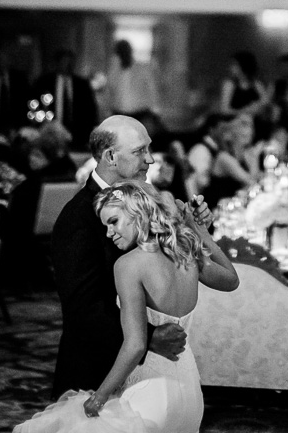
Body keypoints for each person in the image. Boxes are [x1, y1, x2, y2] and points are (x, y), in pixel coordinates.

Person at [18, 178, 238, 433]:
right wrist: (199, 231)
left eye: (114, 221)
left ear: (137, 212)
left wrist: (99, 397)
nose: (109, 233)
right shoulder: (186, 251)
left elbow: (135, 345)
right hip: (189, 393)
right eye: (105, 226)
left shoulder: (128, 265)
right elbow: (231, 279)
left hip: (148, 393)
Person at [47, 116, 190, 398]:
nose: (150, 159)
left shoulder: (144, 201)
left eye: (149, 149)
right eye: (140, 151)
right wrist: (148, 337)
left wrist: (195, 227)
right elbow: (82, 309)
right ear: (111, 156)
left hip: (144, 367)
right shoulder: (79, 218)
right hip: (96, 368)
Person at [31, 49, 99, 143]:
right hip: (50, 134)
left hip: (77, 136)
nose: (68, 65)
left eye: (71, 62)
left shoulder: (82, 84)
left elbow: (90, 111)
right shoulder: (45, 82)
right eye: (65, 62)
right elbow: (35, 106)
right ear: (57, 63)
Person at [218, 50, 272, 142]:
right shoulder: (230, 84)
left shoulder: (256, 85)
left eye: (234, 65)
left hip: (255, 126)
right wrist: (245, 111)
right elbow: (224, 110)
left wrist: (259, 108)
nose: (230, 68)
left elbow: (265, 103)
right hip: (234, 126)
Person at [106, 39, 159, 118]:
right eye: (120, 52)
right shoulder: (114, 70)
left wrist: (155, 108)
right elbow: (110, 89)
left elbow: (151, 88)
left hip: (139, 111)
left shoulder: (142, 68)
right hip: (119, 112)